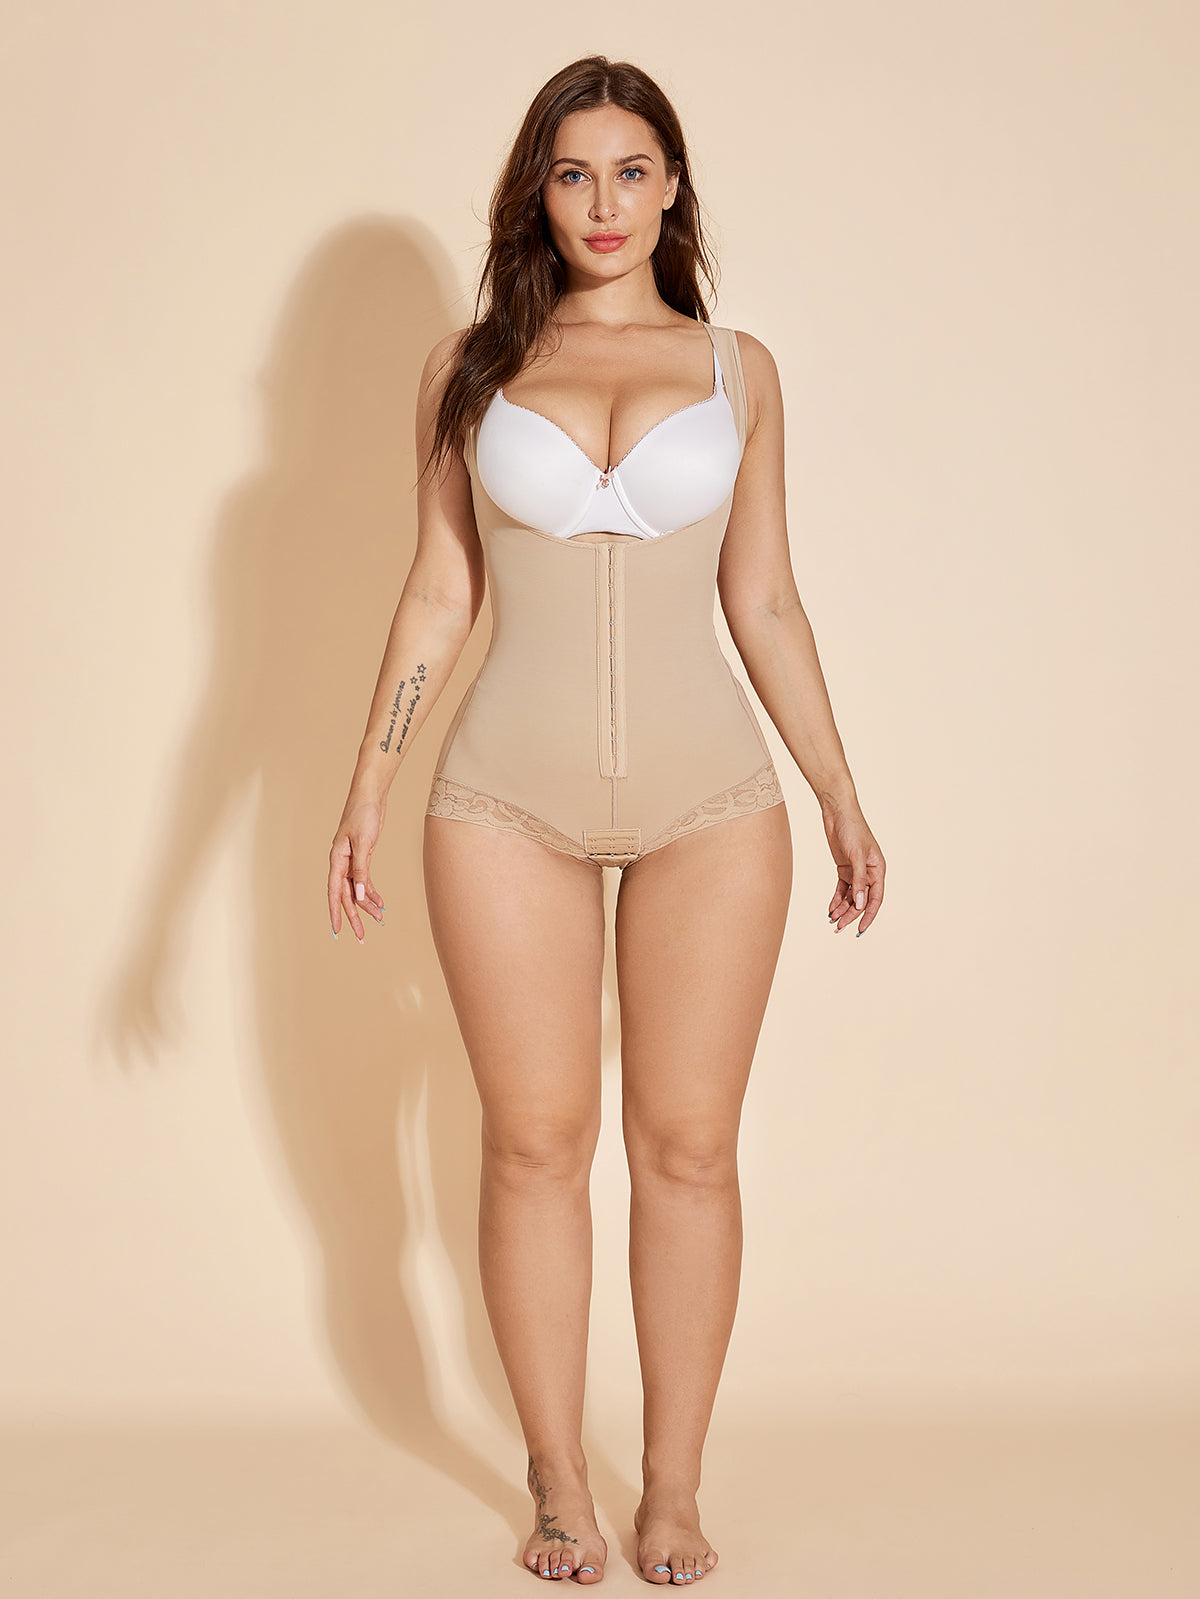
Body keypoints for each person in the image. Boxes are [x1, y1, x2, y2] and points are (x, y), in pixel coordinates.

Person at [328, 54, 885, 1588]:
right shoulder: (467, 369)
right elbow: (440, 589)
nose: (604, 202)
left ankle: (677, 1487)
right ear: (538, 193)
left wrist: (841, 795)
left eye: (632, 170)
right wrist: (366, 788)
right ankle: (561, 1479)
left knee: (690, 1149)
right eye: (573, 173)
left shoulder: (739, 370)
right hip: (504, 800)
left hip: (714, 804)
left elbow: (764, 599)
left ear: (674, 188)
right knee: (534, 1144)